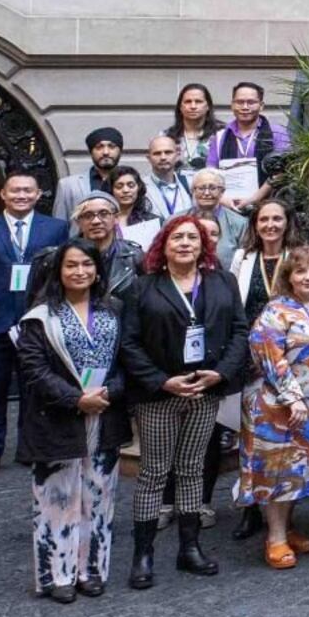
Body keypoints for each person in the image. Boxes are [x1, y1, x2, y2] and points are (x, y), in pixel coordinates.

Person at [119, 215, 245, 587]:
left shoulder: (223, 282)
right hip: (159, 394)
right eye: (178, 238)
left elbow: (239, 330)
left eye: (193, 237)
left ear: (204, 245)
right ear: (164, 245)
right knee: (155, 473)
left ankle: (189, 548)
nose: (186, 243)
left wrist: (220, 373)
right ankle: (143, 554)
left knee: (192, 469)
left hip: (205, 391)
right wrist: (162, 381)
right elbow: (128, 343)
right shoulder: (142, 288)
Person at [18, 240, 129, 601]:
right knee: (56, 498)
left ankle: (91, 571)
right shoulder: (39, 316)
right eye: (71, 265)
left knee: (99, 498)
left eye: (87, 264)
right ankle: (58, 576)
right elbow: (33, 369)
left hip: (105, 415)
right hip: (56, 418)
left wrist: (109, 393)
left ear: (98, 269)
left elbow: (127, 361)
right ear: (58, 271)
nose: (79, 271)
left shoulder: (114, 309)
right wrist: (77, 399)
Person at [236, 245, 309, 569]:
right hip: (278, 405)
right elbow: (269, 357)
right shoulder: (277, 310)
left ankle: (288, 527)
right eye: (301, 271)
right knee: (280, 470)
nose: (308, 277)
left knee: (300, 469)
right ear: (289, 276)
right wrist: (292, 397)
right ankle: (276, 538)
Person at [0, 170, 72, 465]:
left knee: (35, 391)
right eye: (14, 191)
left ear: (38, 194)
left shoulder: (55, 228)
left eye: (28, 190)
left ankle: (30, 449)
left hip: (37, 319)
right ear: (3, 194)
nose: (21, 196)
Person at [206, 82, 288, 214]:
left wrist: (255, 198)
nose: (245, 107)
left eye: (251, 102)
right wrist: (223, 199)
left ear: (261, 106)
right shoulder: (220, 136)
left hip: (269, 208)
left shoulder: (278, 133)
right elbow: (210, 174)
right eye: (239, 102)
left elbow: (282, 171)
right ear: (232, 105)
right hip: (227, 209)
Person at [71, 193, 144, 299]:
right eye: (88, 216)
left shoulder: (134, 256)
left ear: (116, 218)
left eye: (104, 214)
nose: (96, 221)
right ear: (78, 222)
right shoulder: (65, 258)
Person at [53, 126, 125, 220]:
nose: (106, 152)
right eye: (99, 147)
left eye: (111, 146)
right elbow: (59, 225)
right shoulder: (68, 185)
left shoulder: (133, 186)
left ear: (120, 151)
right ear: (91, 152)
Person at [167, 84, 218, 172]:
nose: (193, 106)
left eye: (198, 101)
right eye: (188, 102)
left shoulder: (221, 134)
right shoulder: (167, 136)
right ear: (180, 107)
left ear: (208, 106)